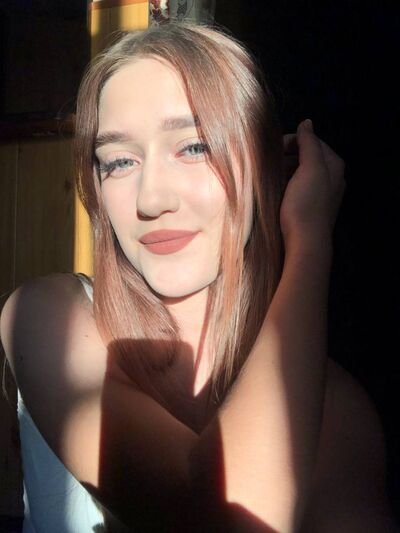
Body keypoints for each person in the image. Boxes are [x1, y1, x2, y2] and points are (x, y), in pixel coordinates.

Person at [0, 22, 397, 532]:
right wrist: (311, 244)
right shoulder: (48, 317)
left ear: (268, 170)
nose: (151, 199)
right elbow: (218, 518)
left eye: (194, 148)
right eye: (118, 161)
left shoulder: (334, 404)